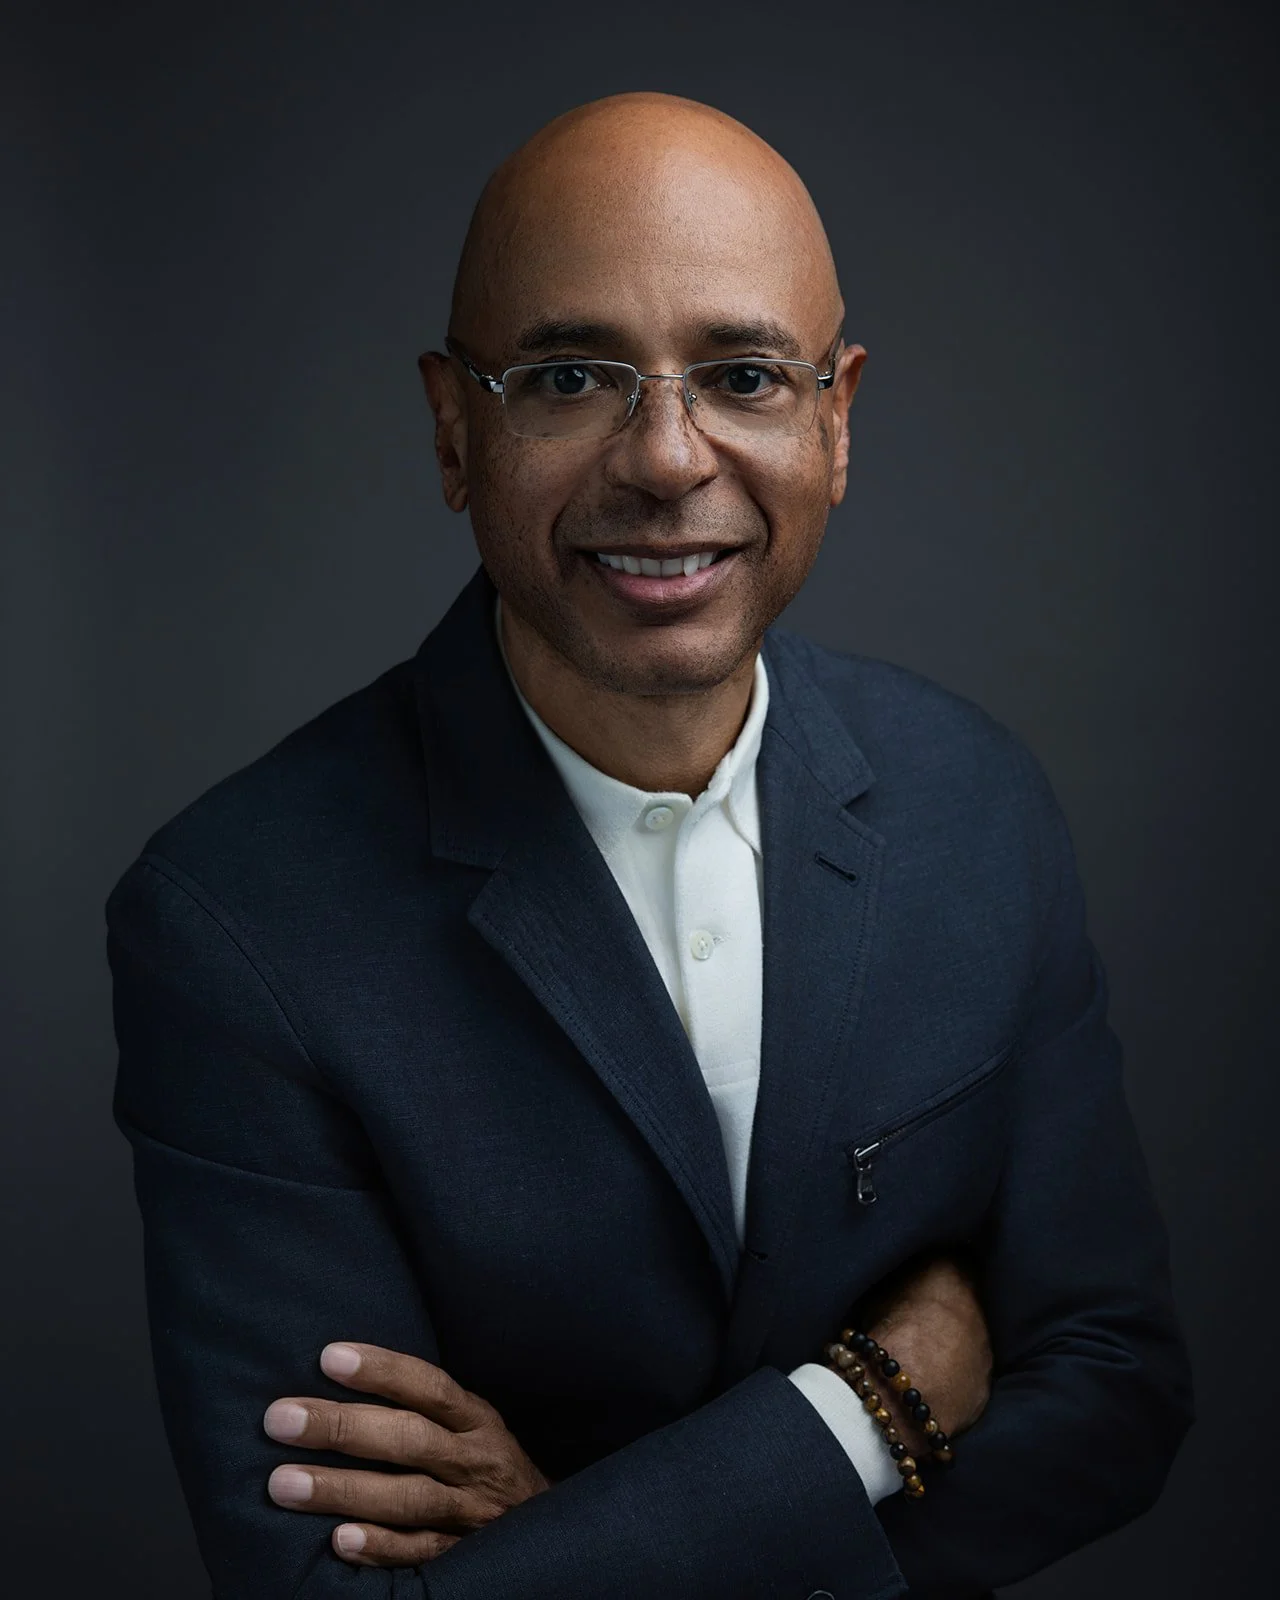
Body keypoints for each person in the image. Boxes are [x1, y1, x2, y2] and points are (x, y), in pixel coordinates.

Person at [107, 92, 1193, 1599]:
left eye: (743, 374)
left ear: (837, 419)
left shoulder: (979, 805)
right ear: (452, 427)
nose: (668, 460)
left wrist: (579, 1537)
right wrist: (867, 1410)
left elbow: (1118, 1390)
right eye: (569, 376)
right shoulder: (234, 922)